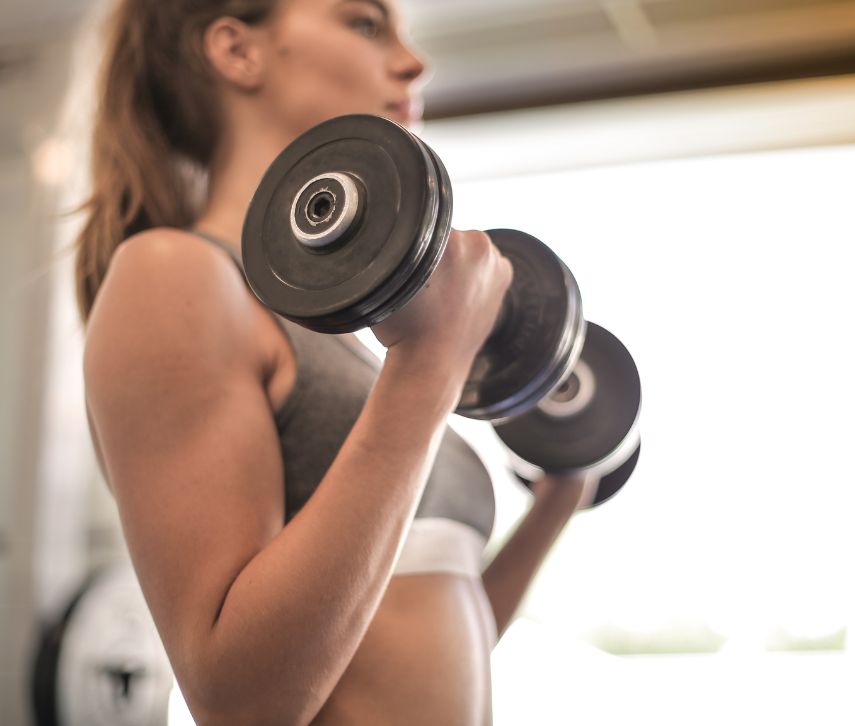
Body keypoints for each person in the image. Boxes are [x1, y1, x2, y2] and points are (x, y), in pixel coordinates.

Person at [76, 0, 600, 723]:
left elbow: (436, 628)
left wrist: (559, 499)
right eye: (364, 22)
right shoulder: (177, 275)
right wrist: (430, 366)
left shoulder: (352, 337)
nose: (412, 61)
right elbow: (240, 701)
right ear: (237, 51)